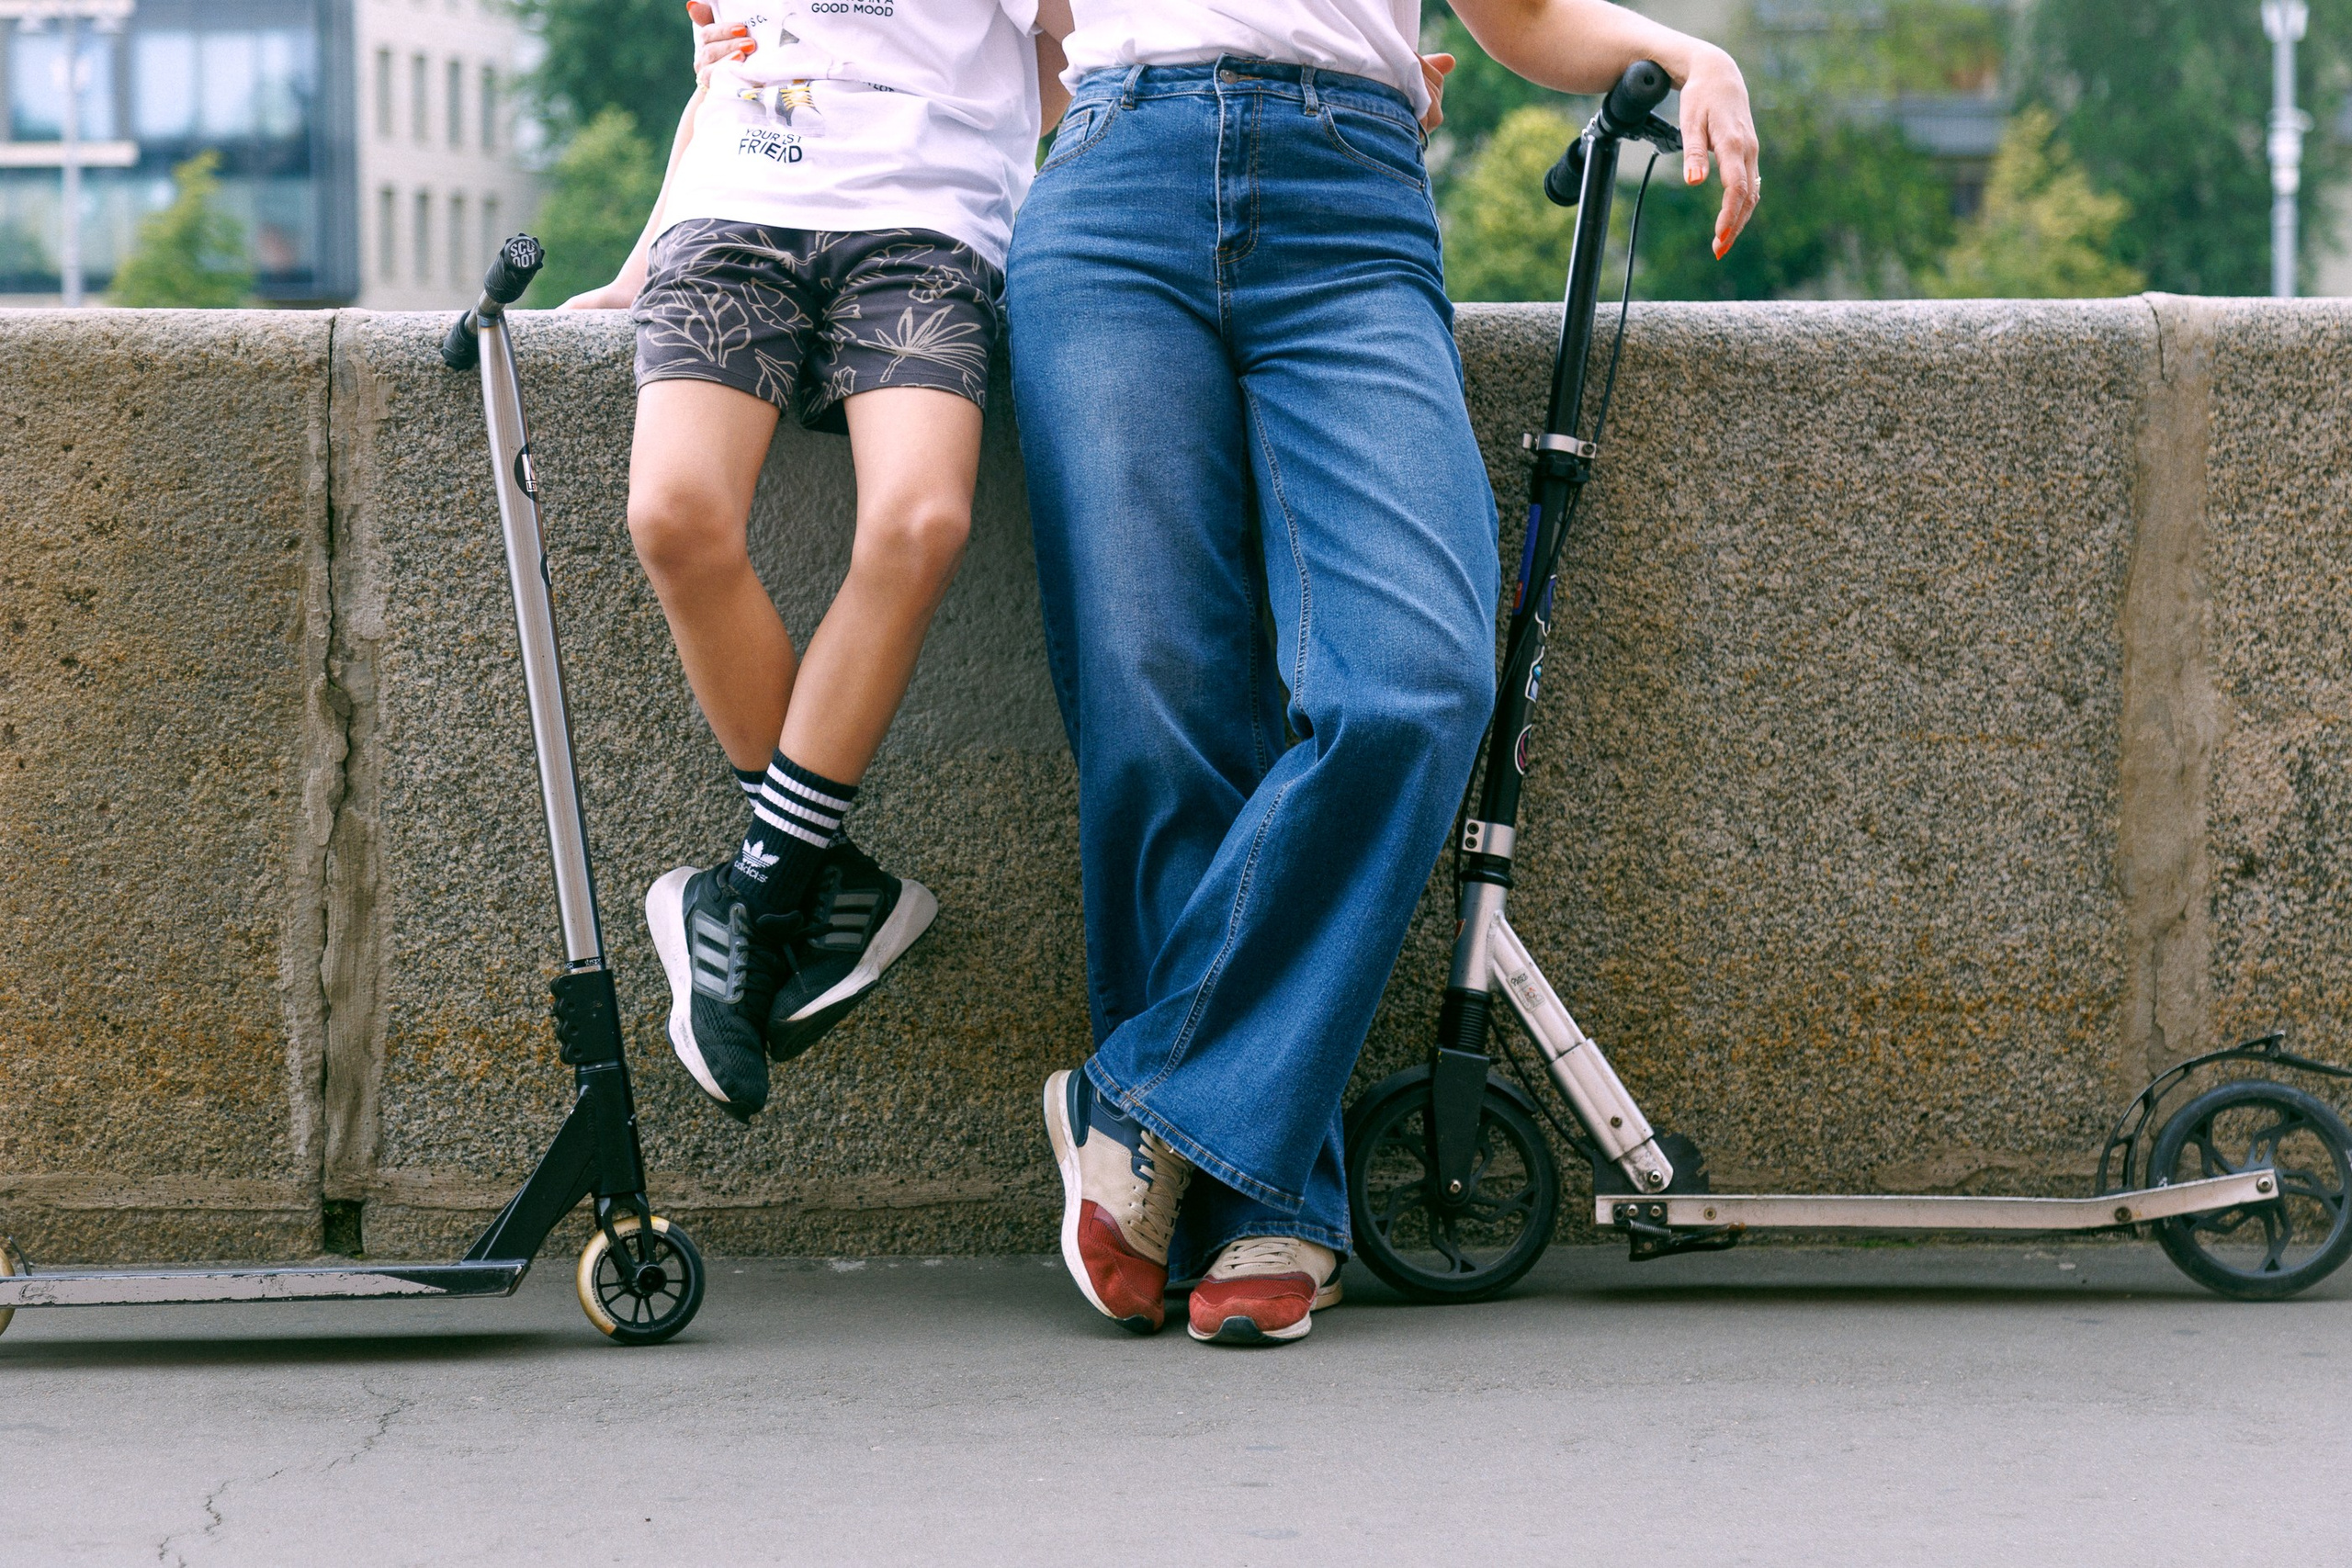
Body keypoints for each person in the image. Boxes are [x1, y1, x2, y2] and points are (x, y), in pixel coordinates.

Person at [1012, 0, 1759, 1344]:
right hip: (1114, 180)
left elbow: (1520, 14)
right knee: (1155, 704)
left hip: (1345, 200)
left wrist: (1697, 54)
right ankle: (1259, 1197)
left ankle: (1141, 1104)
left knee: (1416, 682)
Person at [560, 2, 1067, 1122]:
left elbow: (1089, 50)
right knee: (674, 516)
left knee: (920, 523)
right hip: (733, 207)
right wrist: (641, 261)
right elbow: (725, 64)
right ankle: (812, 874)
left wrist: (982, 127)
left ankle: (751, 892)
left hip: (929, 227)